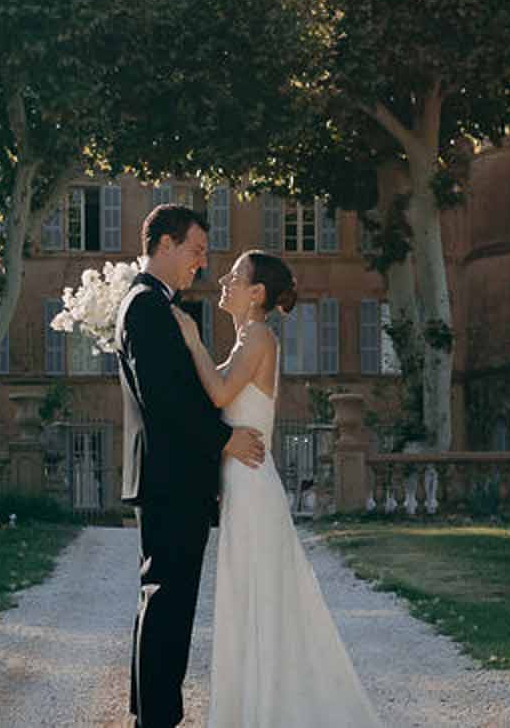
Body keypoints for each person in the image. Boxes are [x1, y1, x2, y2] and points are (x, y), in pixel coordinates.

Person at [174, 249, 384, 727]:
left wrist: (191, 339)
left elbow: (221, 394)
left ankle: (265, 709)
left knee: (259, 598)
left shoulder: (258, 337)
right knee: (249, 596)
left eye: (235, 276)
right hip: (244, 483)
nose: (223, 281)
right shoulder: (247, 336)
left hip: (251, 487)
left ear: (257, 294)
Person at [119, 204, 269, 728]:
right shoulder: (145, 306)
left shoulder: (154, 306)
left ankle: (151, 716)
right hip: (171, 479)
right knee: (168, 604)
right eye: (196, 250)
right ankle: (157, 720)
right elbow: (165, 400)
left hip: (169, 478)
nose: (202, 264)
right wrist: (225, 439)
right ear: (164, 244)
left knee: (160, 599)